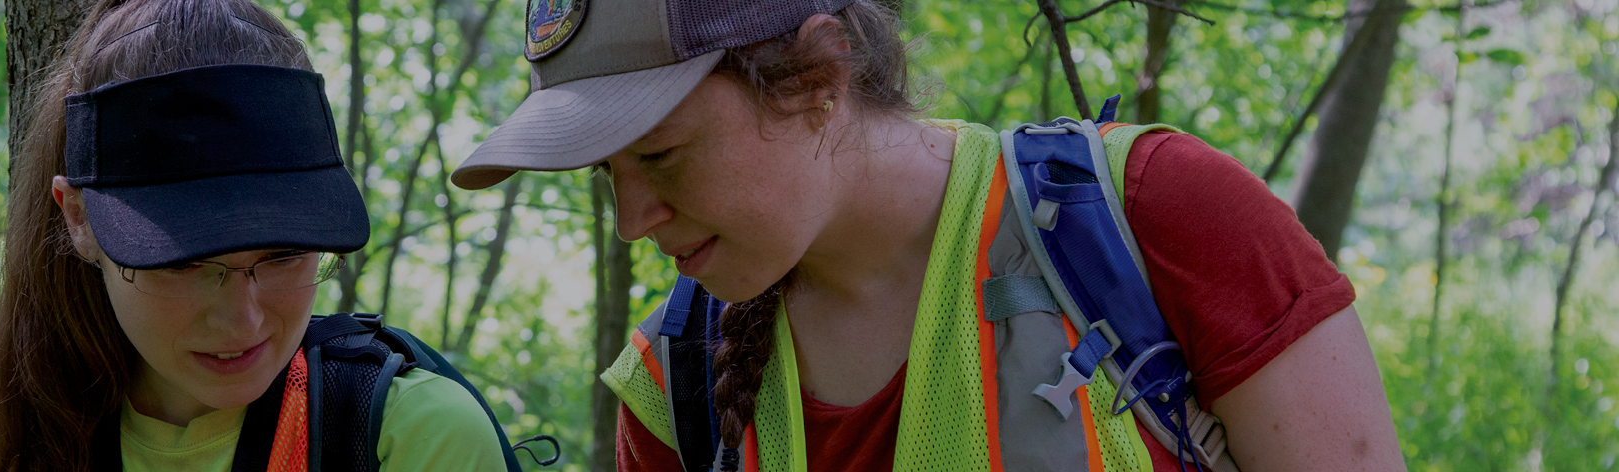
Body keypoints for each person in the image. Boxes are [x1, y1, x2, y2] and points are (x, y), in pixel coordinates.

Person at [452, 0, 1407, 470]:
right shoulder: (677, 380)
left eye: (659, 158)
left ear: (819, 76)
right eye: (603, 175)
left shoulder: (1153, 216)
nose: (632, 224)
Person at [0, 0, 510, 470]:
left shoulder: (412, 437)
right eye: (183, 263)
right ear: (78, 219)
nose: (244, 321)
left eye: (285, 254)